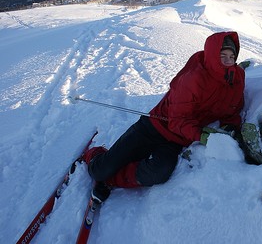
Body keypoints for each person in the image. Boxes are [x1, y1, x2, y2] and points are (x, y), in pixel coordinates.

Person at [83, 31, 245, 202]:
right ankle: (94, 155)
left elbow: (233, 110)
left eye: (231, 56)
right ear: (212, 55)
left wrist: (230, 127)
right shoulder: (193, 79)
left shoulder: (236, 79)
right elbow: (177, 121)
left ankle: (109, 181)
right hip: (153, 127)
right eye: (222, 56)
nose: (228, 61)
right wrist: (200, 135)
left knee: (158, 172)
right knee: (100, 169)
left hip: (177, 141)